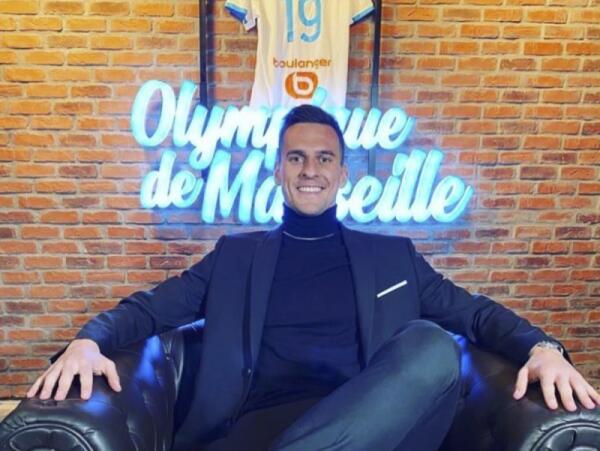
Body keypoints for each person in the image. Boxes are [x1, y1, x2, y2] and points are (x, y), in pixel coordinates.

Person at [27, 105, 600, 450]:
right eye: (296, 157)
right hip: (257, 425)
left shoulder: (393, 258)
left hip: (381, 425)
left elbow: (476, 314)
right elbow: (149, 309)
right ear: (278, 169)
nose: (310, 170)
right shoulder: (235, 257)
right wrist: (88, 341)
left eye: (324, 158)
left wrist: (543, 349)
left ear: (343, 173)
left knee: (430, 344)